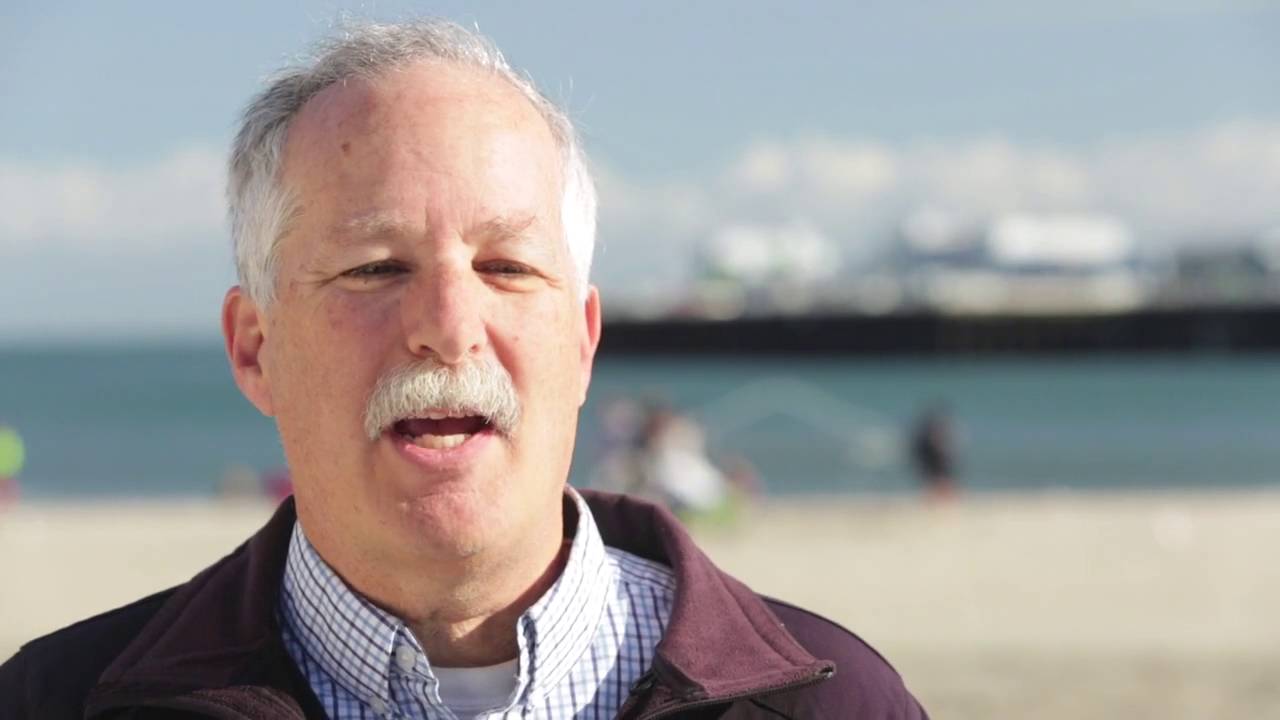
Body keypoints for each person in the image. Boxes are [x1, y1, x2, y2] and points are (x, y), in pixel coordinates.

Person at [0, 20, 927, 719]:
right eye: (375, 269)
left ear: (582, 341)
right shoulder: (55, 702)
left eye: (507, 268)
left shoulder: (833, 703)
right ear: (256, 349)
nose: (448, 327)